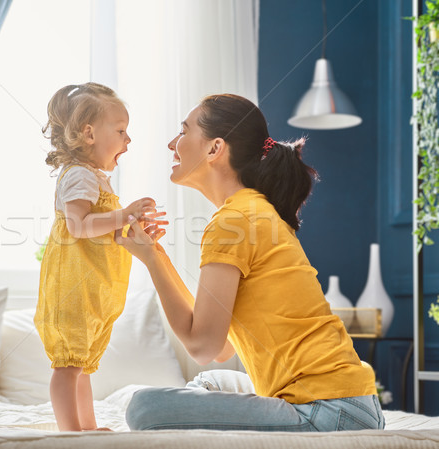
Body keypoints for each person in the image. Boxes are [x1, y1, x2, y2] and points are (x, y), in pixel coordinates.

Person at [116, 94, 384, 432]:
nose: (173, 143)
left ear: (215, 149)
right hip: (351, 403)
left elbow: (202, 345)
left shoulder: (234, 220)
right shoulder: (251, 209)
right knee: (211, 380)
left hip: (328, 410)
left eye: (183, 131)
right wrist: (156, 255)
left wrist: (151, 264)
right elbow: (223, 347)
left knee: (143, 408)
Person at [34, 82, 165, 431]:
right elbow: (78, 226)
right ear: (89, 134)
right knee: (68, 366)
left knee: (81, 366)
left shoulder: (94, 178)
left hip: (92, 290)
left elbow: (99, 230)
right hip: (74, 288)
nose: (128, 140)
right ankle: (70, 432)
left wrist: (133, 227)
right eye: (121, 131)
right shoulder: (79, 175)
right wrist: (124, 215)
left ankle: (87, 428)